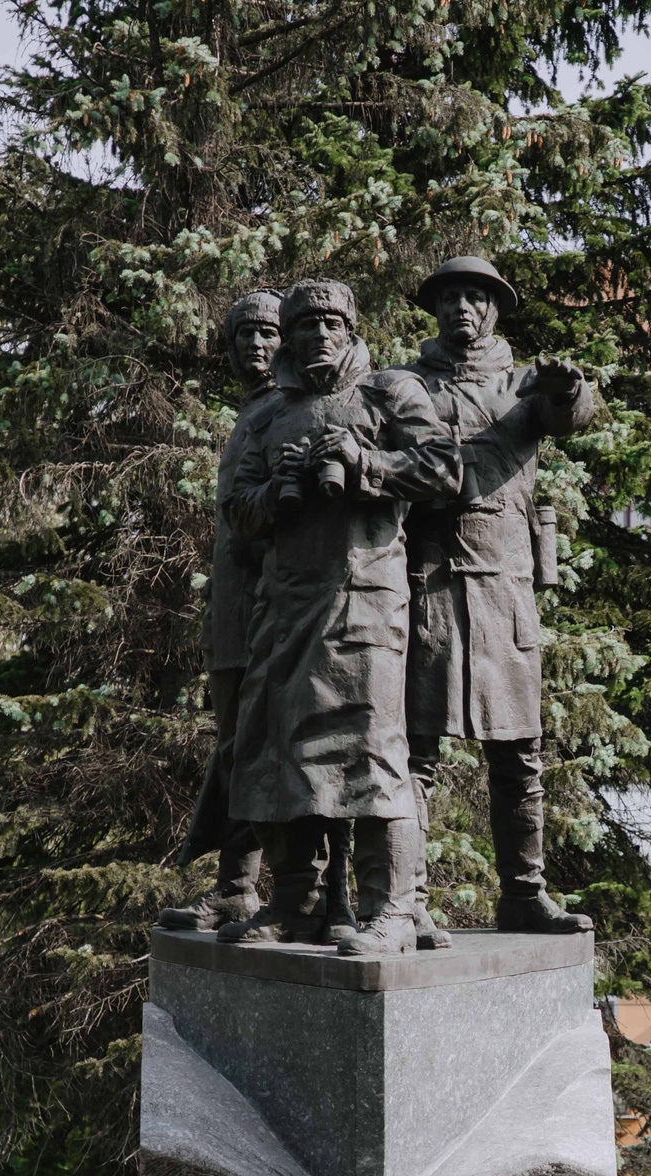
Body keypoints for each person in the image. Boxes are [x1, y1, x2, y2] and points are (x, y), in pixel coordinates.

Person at [216, 279, 461, 956]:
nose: (319, 334)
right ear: (289, 337)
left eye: (332, 322)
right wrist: (277, 492)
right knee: (276, 757)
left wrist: (363, 465)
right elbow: (237, 513)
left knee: (375, 756)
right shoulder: (268, 416)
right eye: (306, 325)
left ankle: (391, 911)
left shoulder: (389, 393)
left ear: (351, 329)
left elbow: (444, 469)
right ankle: (300, 903)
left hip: (366, 605)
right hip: (285, 607)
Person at [401, 255, 599, 941]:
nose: (461, 307)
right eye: (449, 295)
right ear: (436, 309)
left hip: (506, 593)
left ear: (493, 311)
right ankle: (408, 900)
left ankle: (524, 894)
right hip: (429, 587)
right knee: (416, 754)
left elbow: (567, 413)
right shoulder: (408, 385)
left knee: (519, 756)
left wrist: (568, 387)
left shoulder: (523, 386)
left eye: (475, 297)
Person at [161, 288, 282, 932]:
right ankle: (237, 886)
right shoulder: (248, 414)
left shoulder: (290, 409)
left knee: (263, 747)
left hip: (273, 607)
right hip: (233, 612)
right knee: (236, 747)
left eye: (266, 334)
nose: (254, 347)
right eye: (243, 336)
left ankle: (283, 889)